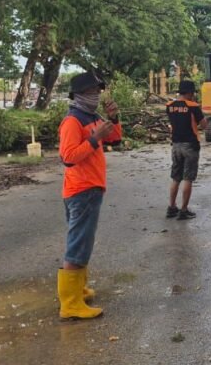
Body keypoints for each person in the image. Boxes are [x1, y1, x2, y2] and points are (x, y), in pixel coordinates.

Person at [57, 72, 121, 320]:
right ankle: (70, 304)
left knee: (83, 242)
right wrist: (94, 139)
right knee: (78, 246)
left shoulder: (92, 116)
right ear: (79, 95)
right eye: (92, 92)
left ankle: (78, 290)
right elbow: (68, 157)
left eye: (98, 91)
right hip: (81, 190)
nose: (97, 95)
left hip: (91, 187)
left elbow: (114, 138)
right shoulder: (72, 121)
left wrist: (114, 118)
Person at [166, 80, 206, 220]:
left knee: (176, 177)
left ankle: (171, 207)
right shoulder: (193, 106)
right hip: (190, 145)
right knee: (188, 178)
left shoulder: (169, 106)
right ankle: (183, 210)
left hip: (175, 145)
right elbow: (204, 125)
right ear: (190, 92)